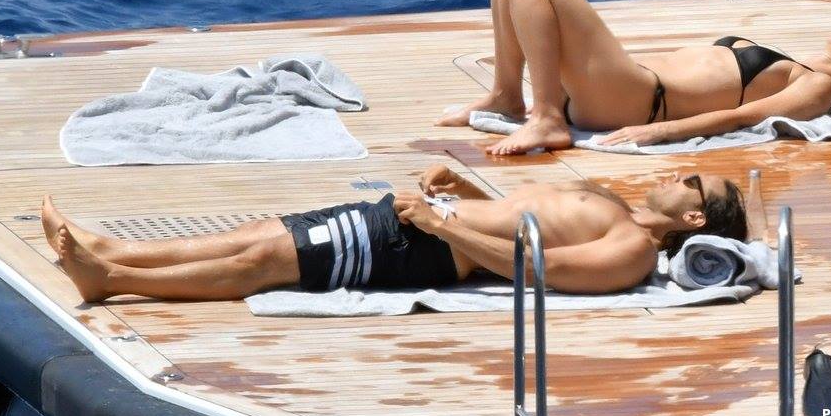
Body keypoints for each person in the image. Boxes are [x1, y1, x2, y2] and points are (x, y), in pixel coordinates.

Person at [437, 0, 831, 155]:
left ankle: (546, 117)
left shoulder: (818, 86)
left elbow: (743, 118)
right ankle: (506, 95)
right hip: (617, 84)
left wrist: (660, 133)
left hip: (637, 99)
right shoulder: (798, 67)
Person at [42, 165, 747, 302]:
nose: (681, 175)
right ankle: (110, 248)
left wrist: (443, 224)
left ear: (693, 219)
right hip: (422, 222)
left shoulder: (632, 250)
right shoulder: (613, 203)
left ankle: (113, 280)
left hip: (423, 247)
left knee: (267, 259)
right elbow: (519, 215)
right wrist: (464, 192)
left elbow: (536, 270)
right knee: (263, 231)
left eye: (695, 184)